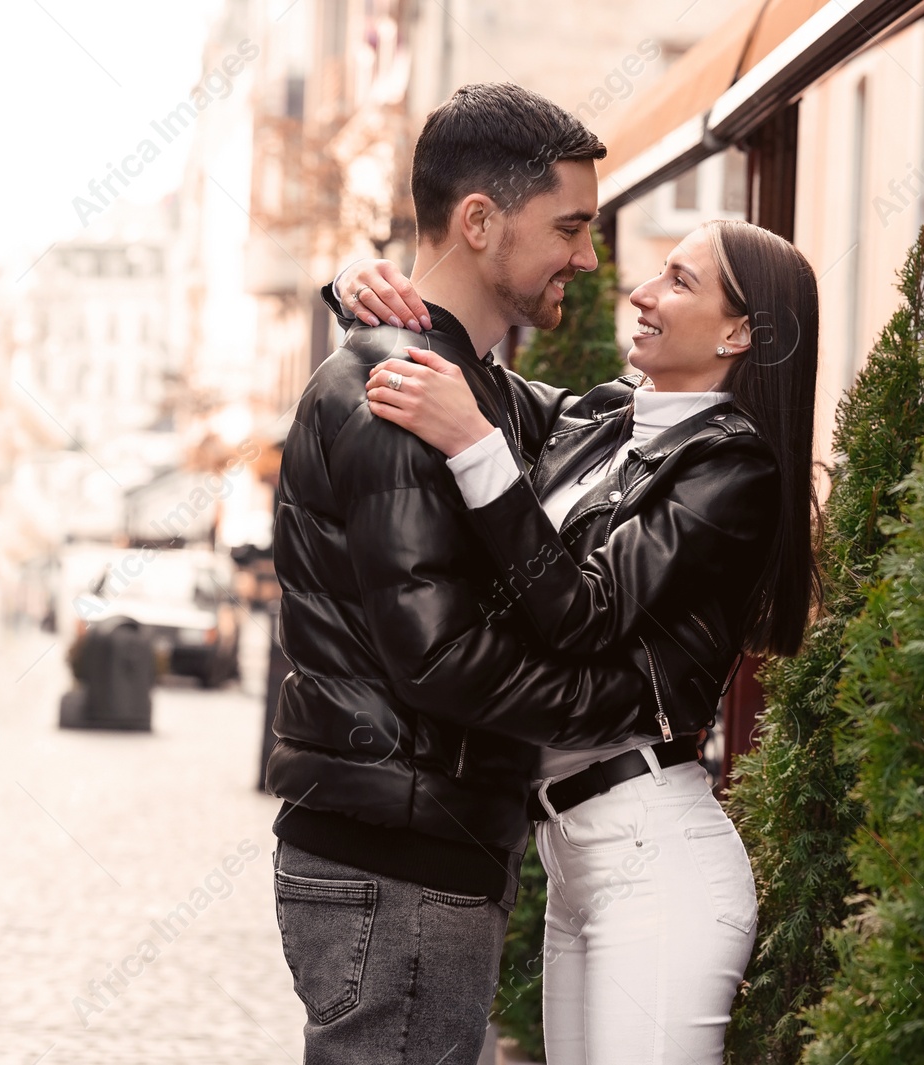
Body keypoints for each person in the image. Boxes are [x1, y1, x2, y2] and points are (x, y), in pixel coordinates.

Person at [266, 83, 689, 1065]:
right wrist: (625, 709)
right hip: (397, 863)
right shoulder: (396, 390)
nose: (589, 259)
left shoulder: (473, 387)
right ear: (477, 220)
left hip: (414, 857)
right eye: (570, 227)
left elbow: (604, 424)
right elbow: (441, 658)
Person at [336, 218, 821, 1064]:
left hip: (655, 859)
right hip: (573, 857)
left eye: (678, 281)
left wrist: (478, 447)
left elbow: (585, 611)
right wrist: (360, 291)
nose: (641, 292)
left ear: (740, 331)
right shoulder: (602, 417)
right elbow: (462, 373)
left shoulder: (734, 468)